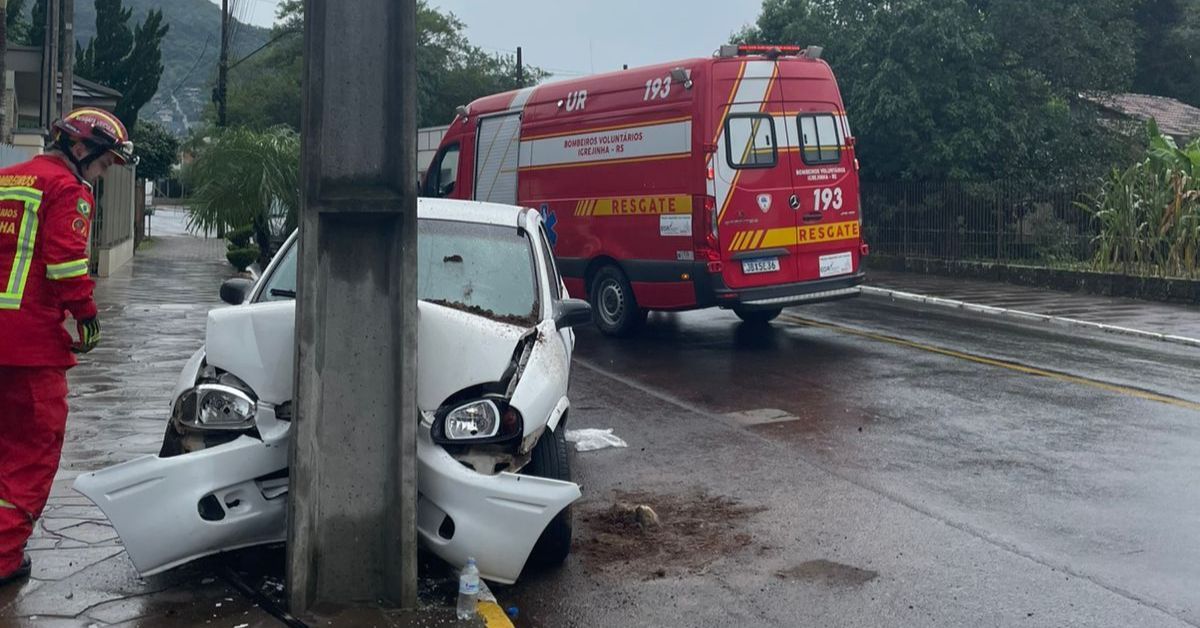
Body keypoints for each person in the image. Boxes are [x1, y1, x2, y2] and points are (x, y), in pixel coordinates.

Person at [0, 107, 134, 586]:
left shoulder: (7, 181)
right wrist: (89, 319)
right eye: (102, 165)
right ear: (80, 150)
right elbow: (65, 269)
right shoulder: (67, 190)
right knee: (31, 452)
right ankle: (3, 559)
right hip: (30, 350)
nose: (101, 176)